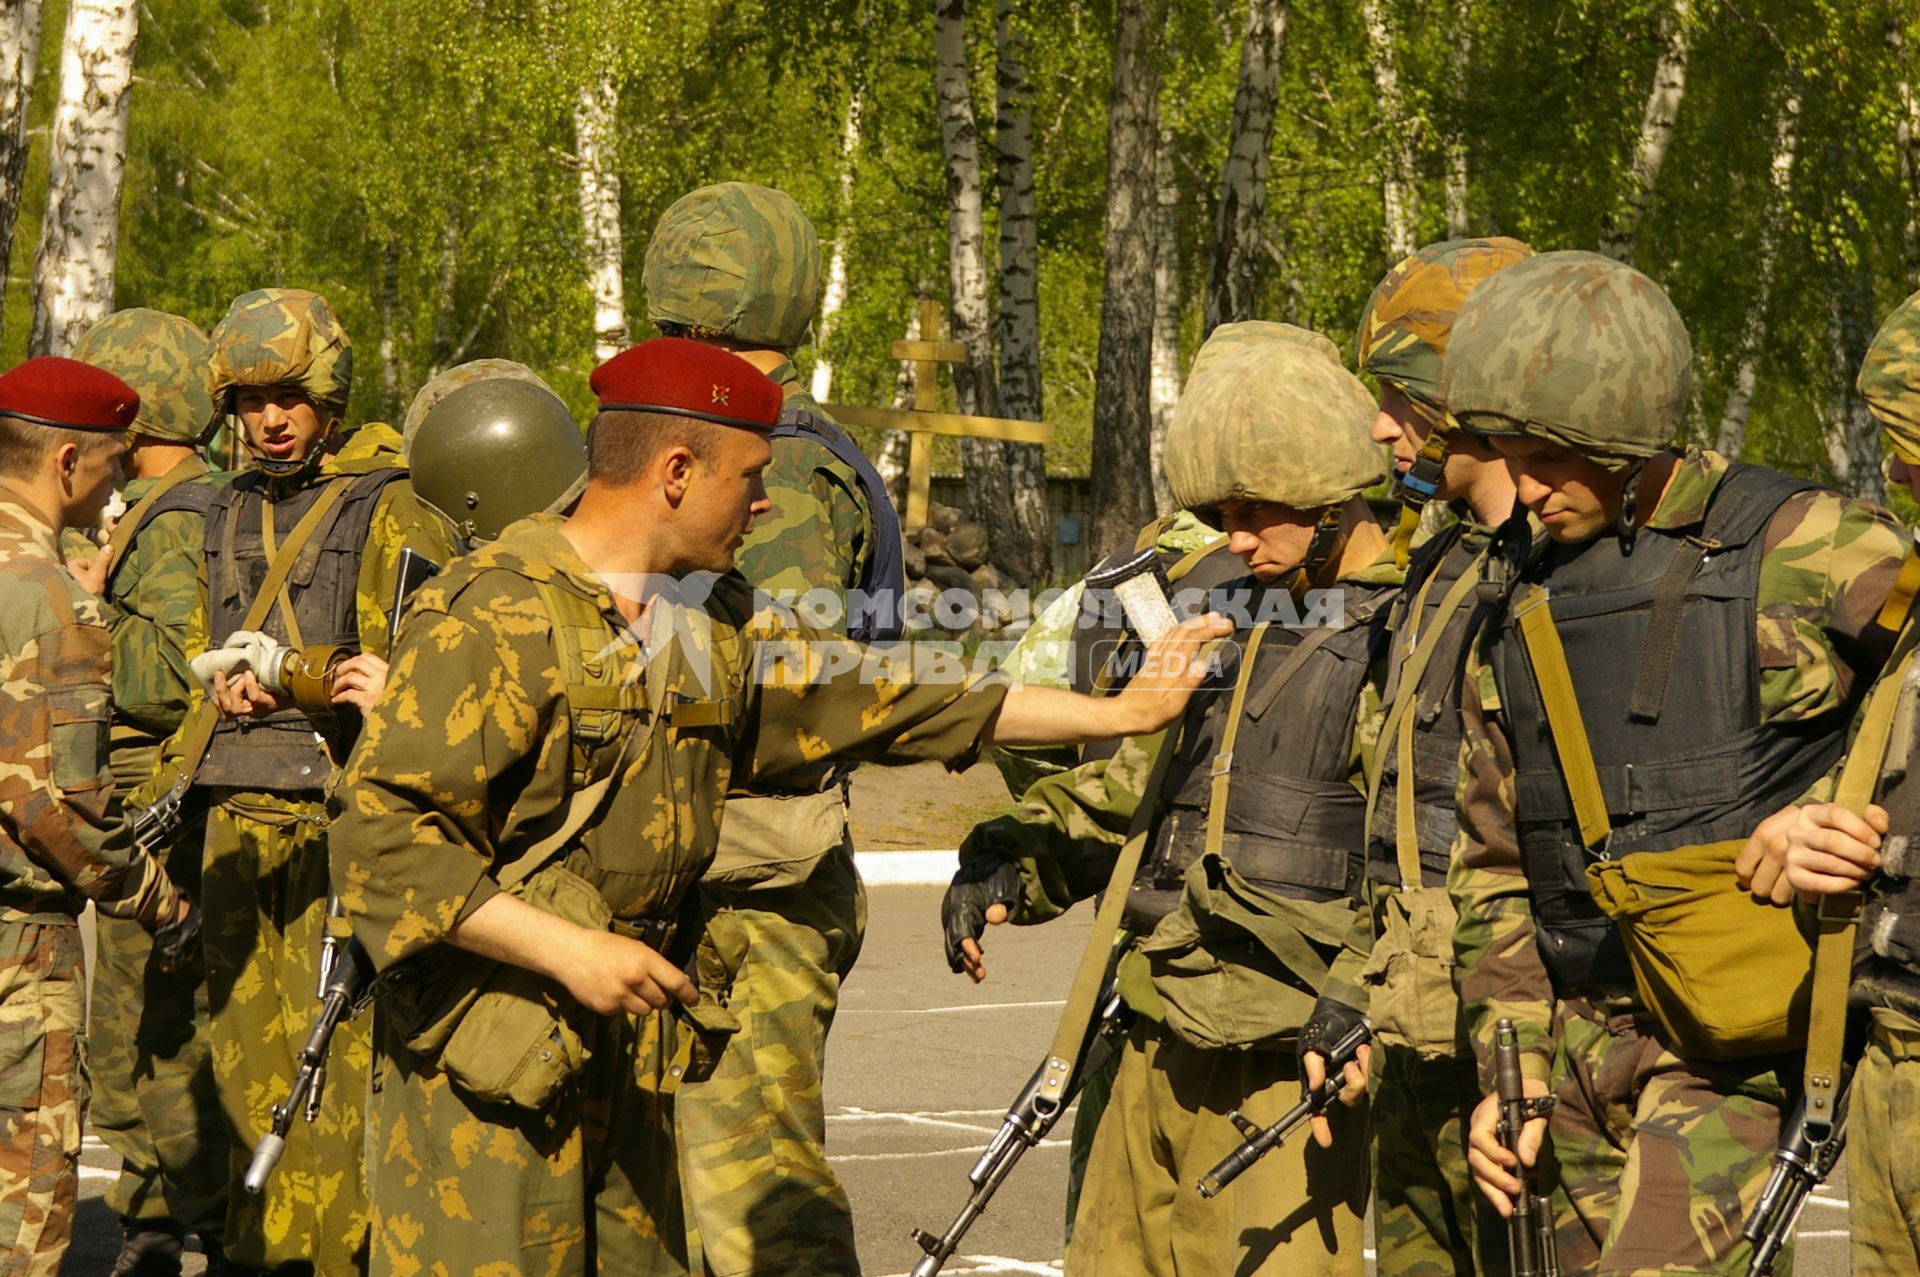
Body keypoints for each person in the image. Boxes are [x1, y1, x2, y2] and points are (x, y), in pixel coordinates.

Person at [328, 336, 1224, 1277]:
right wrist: (569, 949)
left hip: (631, 1058)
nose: (764, 502)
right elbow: (383, 845)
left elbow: (897, 693)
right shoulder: (495, 617)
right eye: (750, 477)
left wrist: (1124, 711)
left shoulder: (710, 620)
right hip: (488, 1071)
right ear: (676, 472)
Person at [1442, 251, 1909, 1272]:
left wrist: (1848, 815)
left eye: (1545, 457)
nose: (1517, 488)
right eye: (1501, 452)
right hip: (1567, 1050)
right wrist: (1507, 1073)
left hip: (1738, 1045)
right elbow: (1492, 856)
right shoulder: (1518, 590)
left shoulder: (1810, 541)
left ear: (1622, 431)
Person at [947, 326, 1395, 1277]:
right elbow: (1134, 785)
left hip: (1287, 1057)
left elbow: (1425, 857)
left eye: (1256, 511)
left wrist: (1360, 1000)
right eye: (1220, 512)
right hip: (1152, 1019)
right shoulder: (1220, 601)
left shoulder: (1401, 626)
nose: (1232, 538)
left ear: (1329, 493)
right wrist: (1011, 861)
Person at [141, 288, 457, 1273]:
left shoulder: (392, 499)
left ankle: (331, 1258)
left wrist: (380, 690)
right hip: (236, 812)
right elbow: (199, 652)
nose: (269, 419)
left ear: (326, 390)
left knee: (332, 1073)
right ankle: (261, 1251)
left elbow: (432, 665)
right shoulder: (228, 505)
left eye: (288, 396)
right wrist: (217, 691)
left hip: (338, 817)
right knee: (241, 1063)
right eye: (249, 401)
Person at [643, 180, 904, 1276]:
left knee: (754, 1211)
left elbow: (778, 694)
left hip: (747, 889)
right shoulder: (771, 448)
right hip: (703, 877)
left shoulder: (783, 469)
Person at [1318, 237, 1532, 1276]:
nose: (1378, 422)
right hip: (1415, 1017)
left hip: (1513, 1031)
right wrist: (1358, 980)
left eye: (1400, 392)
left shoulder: (1568, 574)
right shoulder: (1444, 559)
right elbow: (1393, 792)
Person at [0, 356, 194, 1276]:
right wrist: (163, 901)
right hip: (18, 955)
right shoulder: (52, 600)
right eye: (116, 462)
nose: (120, 484)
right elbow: (60, 810)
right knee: (25, 1215)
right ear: (68, 459)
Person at [1748, 286, 1920, 1274]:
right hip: (1886, 1056)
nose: (1895, 469)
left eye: (1910, 443)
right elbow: (1874, 758)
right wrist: (1808, 826)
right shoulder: (1909, 593)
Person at [71, 310, 235, 1276]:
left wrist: (83, 608)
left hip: (155, 788)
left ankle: (166, 1210)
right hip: (169, 787)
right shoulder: (190, 502)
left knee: (144, 1022)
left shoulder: (174, 516)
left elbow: (167, 674)